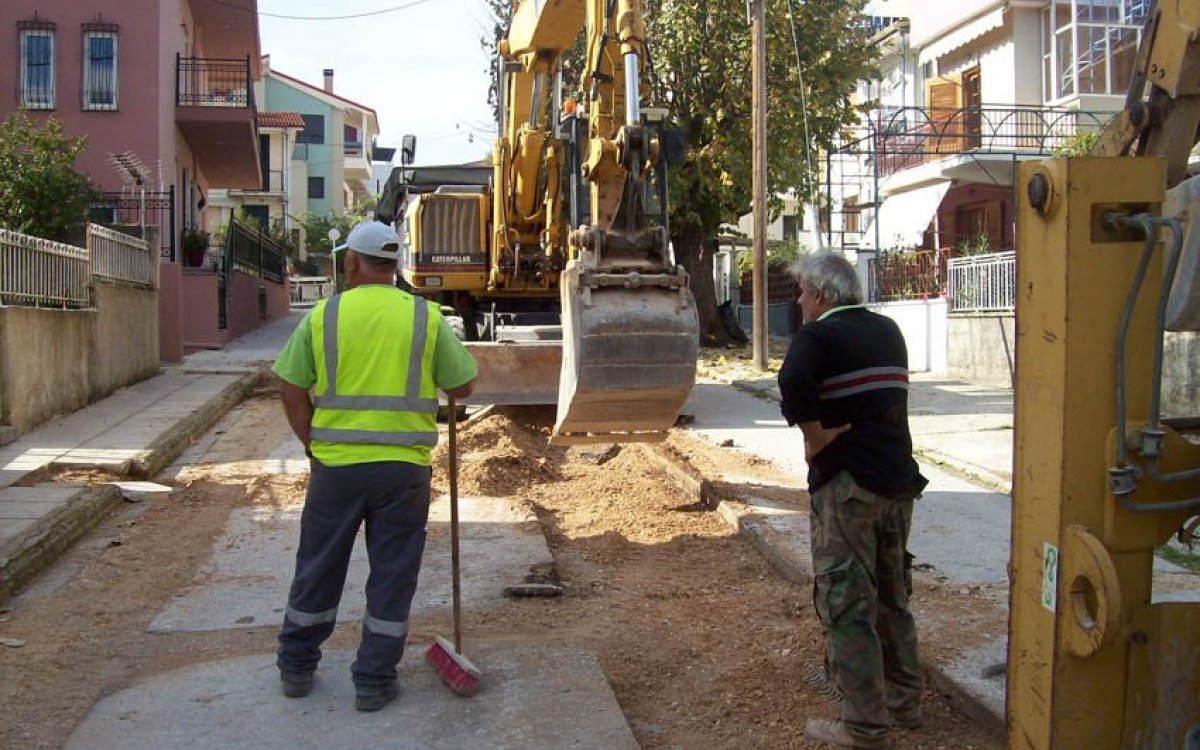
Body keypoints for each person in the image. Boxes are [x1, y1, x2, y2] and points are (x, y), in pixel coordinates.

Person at [272, 220, 478, 712]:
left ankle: (297, 667)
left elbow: (290, 386)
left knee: (318, 566)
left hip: (336, 469)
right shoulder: (425, 318)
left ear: (351, 263)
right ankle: (373, 680)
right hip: (402, 471)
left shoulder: (324, 315)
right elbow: (464, 386)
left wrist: (312, 443)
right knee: (392, 573)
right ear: (394, 265)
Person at [776, 252, 926, 749]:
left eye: (802, 292)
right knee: (892, 596)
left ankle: (863, 725)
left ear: (822, 295)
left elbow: (791, 382)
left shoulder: (818, 336)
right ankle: (904, 702)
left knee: (846, 603)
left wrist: (815, 436)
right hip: (898, 485)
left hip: (849, 489)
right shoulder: (889, 330)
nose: (798, 301)